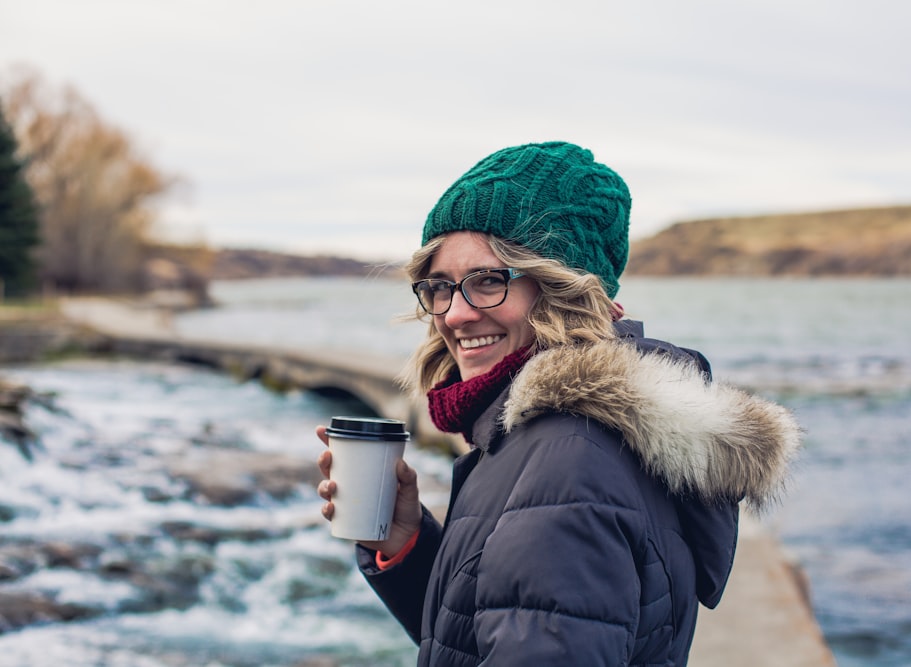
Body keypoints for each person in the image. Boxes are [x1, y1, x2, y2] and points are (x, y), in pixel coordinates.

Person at [316, 141, 801, 666]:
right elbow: (486, 629)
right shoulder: (552, 438)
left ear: (562, 290)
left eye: (487, 281)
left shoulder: (569, 460)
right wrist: (407, 543)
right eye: (440, 286)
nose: (454, 314)